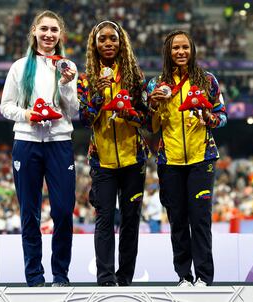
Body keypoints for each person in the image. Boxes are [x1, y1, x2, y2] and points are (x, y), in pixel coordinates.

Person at [0, 10, 78, 287]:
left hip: (59, 143)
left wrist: (67, 85)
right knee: (29, 212)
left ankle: (60, 276)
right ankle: (34, 277)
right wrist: (28, 115)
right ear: (34, 31)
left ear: (60, 35)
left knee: (63, 211)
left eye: (54, 30)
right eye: (44, 29)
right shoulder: (19, 67)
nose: (48, 35)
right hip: (27, 143)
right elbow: (6, 106)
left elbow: (73, 111)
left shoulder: (68, 66)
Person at [146, 30, 227, 287]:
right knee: (178, 220)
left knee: (200, 220)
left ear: (192, 50)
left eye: (185, 47)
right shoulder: (156, 84)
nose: (180, 52)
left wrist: (209, 118)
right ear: (167, 52)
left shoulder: (207, 81)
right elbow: (150, 126)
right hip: (169, 161)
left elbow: (222, 116)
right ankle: (183, 276)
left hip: (201, 159)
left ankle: (204, 277)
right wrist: (155, 105)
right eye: (175, 48)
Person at [78, 20, 149, 286]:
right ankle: (105, 278)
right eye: (102, 39)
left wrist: (130, 114)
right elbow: (85, 120)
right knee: (105, 220)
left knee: (130, 221)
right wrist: (98, 94)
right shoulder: (86, 79)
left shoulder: (135, 77)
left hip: (134, 160)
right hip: (102, 161)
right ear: (94, 45)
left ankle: (126, 278)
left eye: (113, 39)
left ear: (122, 42)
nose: (108, 43)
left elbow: (146, 119)